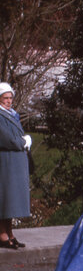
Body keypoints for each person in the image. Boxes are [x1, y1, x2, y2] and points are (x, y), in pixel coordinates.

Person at [0, 82, 30, 249]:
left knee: (10, 199)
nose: (9, 101)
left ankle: (10, 233)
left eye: (10, 98)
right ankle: (2, 234)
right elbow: (7, 138)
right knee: (4, 197)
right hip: (5, 161)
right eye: (5, 98)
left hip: (13, 161)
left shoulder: (12, 114)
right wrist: (23, 142)